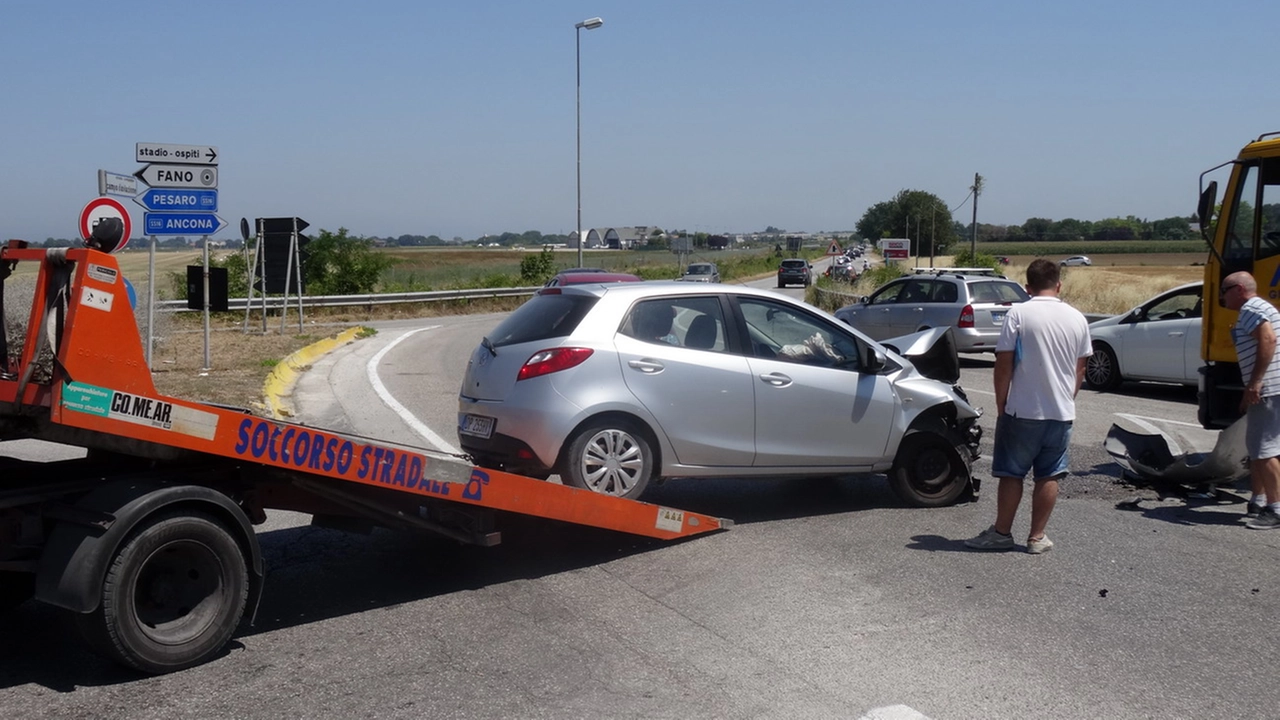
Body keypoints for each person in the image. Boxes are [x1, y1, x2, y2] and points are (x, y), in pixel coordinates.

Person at [965, 259, 1091, 554]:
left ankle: (1002, 532)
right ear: (1058, 285)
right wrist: (1065, 399)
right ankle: (1037, 537)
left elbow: (1004, 362)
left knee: (1012, 473)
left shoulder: (1018, 313)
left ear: (1027, 287)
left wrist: (1001, 402)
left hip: (1023, 409)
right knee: (1049, 474)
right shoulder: (1077, 318)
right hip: (1060, 412)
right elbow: (1081, 369)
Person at [1219, 271, 1280, 529]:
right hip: (1271, 387)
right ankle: (1258, 498)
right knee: (1257, 446)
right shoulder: (1261, 308)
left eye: (1225, 290)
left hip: (1269, 387)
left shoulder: (1251, 308)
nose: (1222, 296)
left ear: (1240, 289)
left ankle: (1275, 510)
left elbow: (1268, 338)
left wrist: (1256, 382)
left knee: (1264, 450)